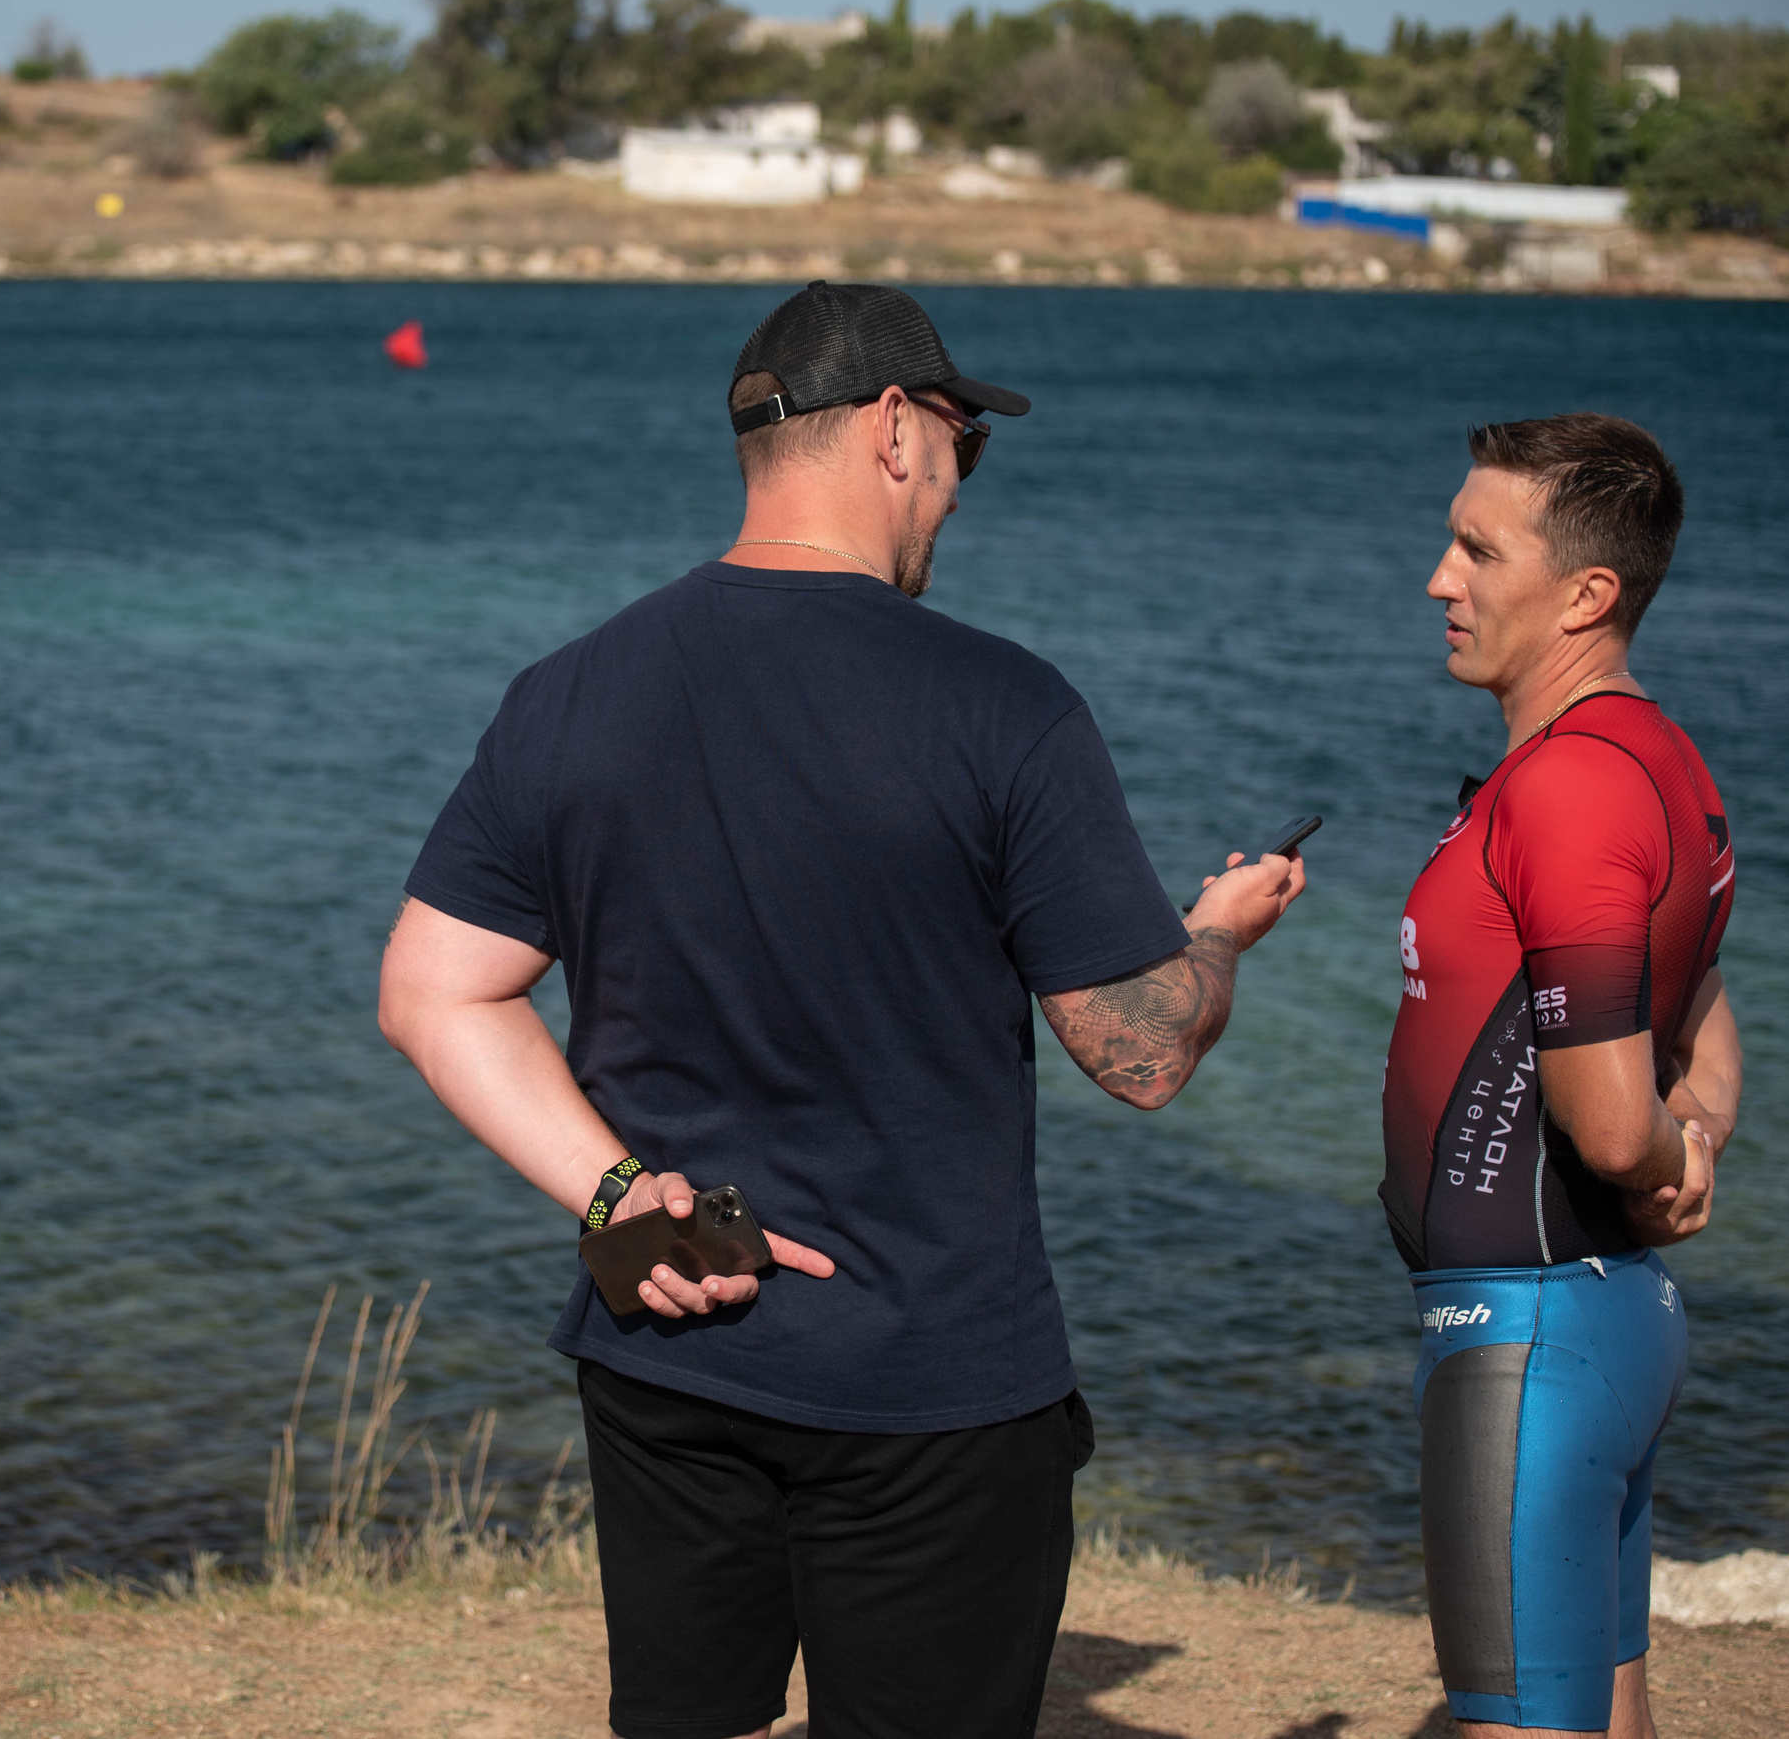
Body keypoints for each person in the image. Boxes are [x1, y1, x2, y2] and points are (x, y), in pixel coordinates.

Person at [377, 281, 1306, 1739]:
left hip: (668, 1344)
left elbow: (434, 995)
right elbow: (1139, 1056)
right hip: (925, 1382)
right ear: (891, 429)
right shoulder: (1006, 707)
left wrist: (619, 1191)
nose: (958, 485)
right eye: (963, 446)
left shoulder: (567, 693)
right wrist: (1215, 940)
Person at [1383, 414, 1740, 1739]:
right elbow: (1696, 990)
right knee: (1605, 1713)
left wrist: (1661, 1156)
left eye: (1478, 549)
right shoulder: (1652, 757)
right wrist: (1694, 1125)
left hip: (1523, 1339)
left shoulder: (1568, 790)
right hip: (1601, 1320)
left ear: (1588, 593)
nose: (1440, 577)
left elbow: (1600, 1123)